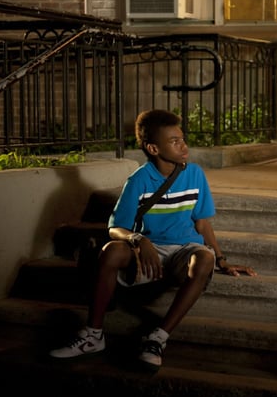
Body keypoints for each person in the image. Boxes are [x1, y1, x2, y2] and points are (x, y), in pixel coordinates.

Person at [49, 109, 257, 369]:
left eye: (182, 139)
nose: (184, 146)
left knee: (204, 257)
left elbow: (202, 223)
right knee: (111, 250)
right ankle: (93, 334)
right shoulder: (138, 181)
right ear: (153, 148)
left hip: (185, 250)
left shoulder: (194, 174)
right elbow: (116, 228)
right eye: (174, 141)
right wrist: (139, 240)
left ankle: (158, 338)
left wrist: (222, 259)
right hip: (149, 251)